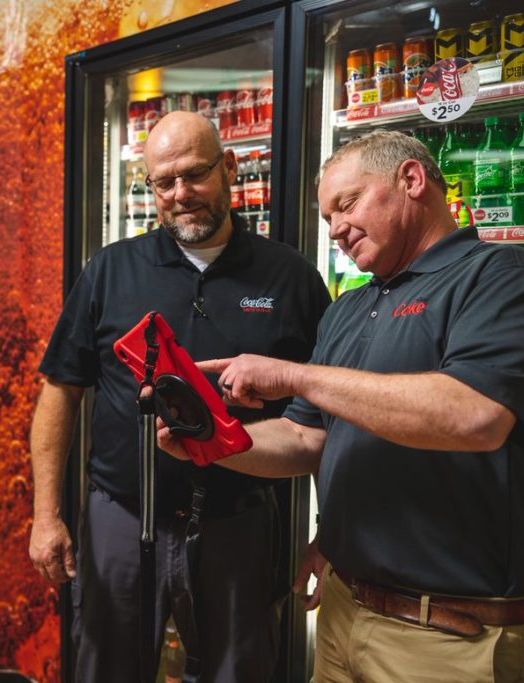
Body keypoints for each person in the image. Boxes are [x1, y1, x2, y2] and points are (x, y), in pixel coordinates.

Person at [159, 129, 524, 683]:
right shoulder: (349, 308)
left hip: (451, 638)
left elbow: (475, 415)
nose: (334, 229)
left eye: (347, 204)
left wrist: (295, 375)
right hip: (343, 615)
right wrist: (210, 441)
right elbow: (308, 439)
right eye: (327, 216)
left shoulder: (503, 278)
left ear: (411, 180)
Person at [29, 110, 331, 682]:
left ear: (231, 166)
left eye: (195, 174)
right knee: (106, 669)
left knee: (235, 672)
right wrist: (46, 516)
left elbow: (324, 414)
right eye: (163, 182)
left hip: (237, 524)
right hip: (120, 516)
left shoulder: (290, 278)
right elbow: (60, 390)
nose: (180, 194)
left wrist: (329, 529)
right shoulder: (110, 271)